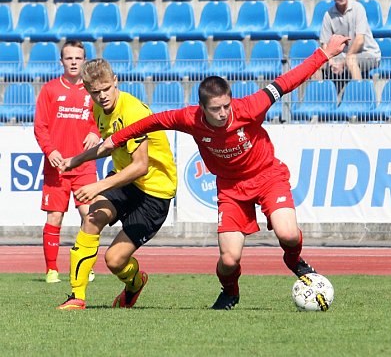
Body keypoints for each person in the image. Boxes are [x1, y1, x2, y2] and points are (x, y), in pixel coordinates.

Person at [97, 34, 350, 310]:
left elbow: (288, 81)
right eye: (215, 109)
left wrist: (324, 54)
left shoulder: (251, 106)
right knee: (229, 260)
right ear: (202, 108)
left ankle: (293, 260)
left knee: (288, 233)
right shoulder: (189, 119)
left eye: (226, 106)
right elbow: (153, 121)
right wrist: (116, 138)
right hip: (231, 188)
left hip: (267, 176)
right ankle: (230, 292)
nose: (223, 113)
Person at [56, 58, 177, 310]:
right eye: (95, 92)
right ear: (88, 91)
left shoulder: (132, 112)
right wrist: (76, 160)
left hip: (154, 192)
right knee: (92, 217)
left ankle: (135, 283)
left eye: (106, 90)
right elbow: (110, 144)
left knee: (114, 261)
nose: (101, 97)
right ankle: (77, 297)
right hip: (125, 179)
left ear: (115, 82)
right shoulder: (98, 109)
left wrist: (98, 186)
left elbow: (141, 166)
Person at [34, 40, 100, 284]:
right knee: (54, 217)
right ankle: (52, 270)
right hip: (57, 166)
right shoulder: (50, 90)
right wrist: (50, 151)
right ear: (61, 62)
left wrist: (96, 132)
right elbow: (40, 126)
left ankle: (85, 266)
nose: (73, 62)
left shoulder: (93, 91)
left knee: (90, 216)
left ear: (84, 61)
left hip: (83, 164)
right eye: (69, 58)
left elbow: (103, 117)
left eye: (78, 58)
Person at [320, 0, 380, 84]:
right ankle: (319, 97)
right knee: (317, 63)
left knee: (351, 59)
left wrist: (343, 62)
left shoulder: (358, 8)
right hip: (344, 55)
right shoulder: (328, 15)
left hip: (368, 54)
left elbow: (360, 40)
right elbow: (325, 44)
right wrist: (331, 62)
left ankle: (359, 96)